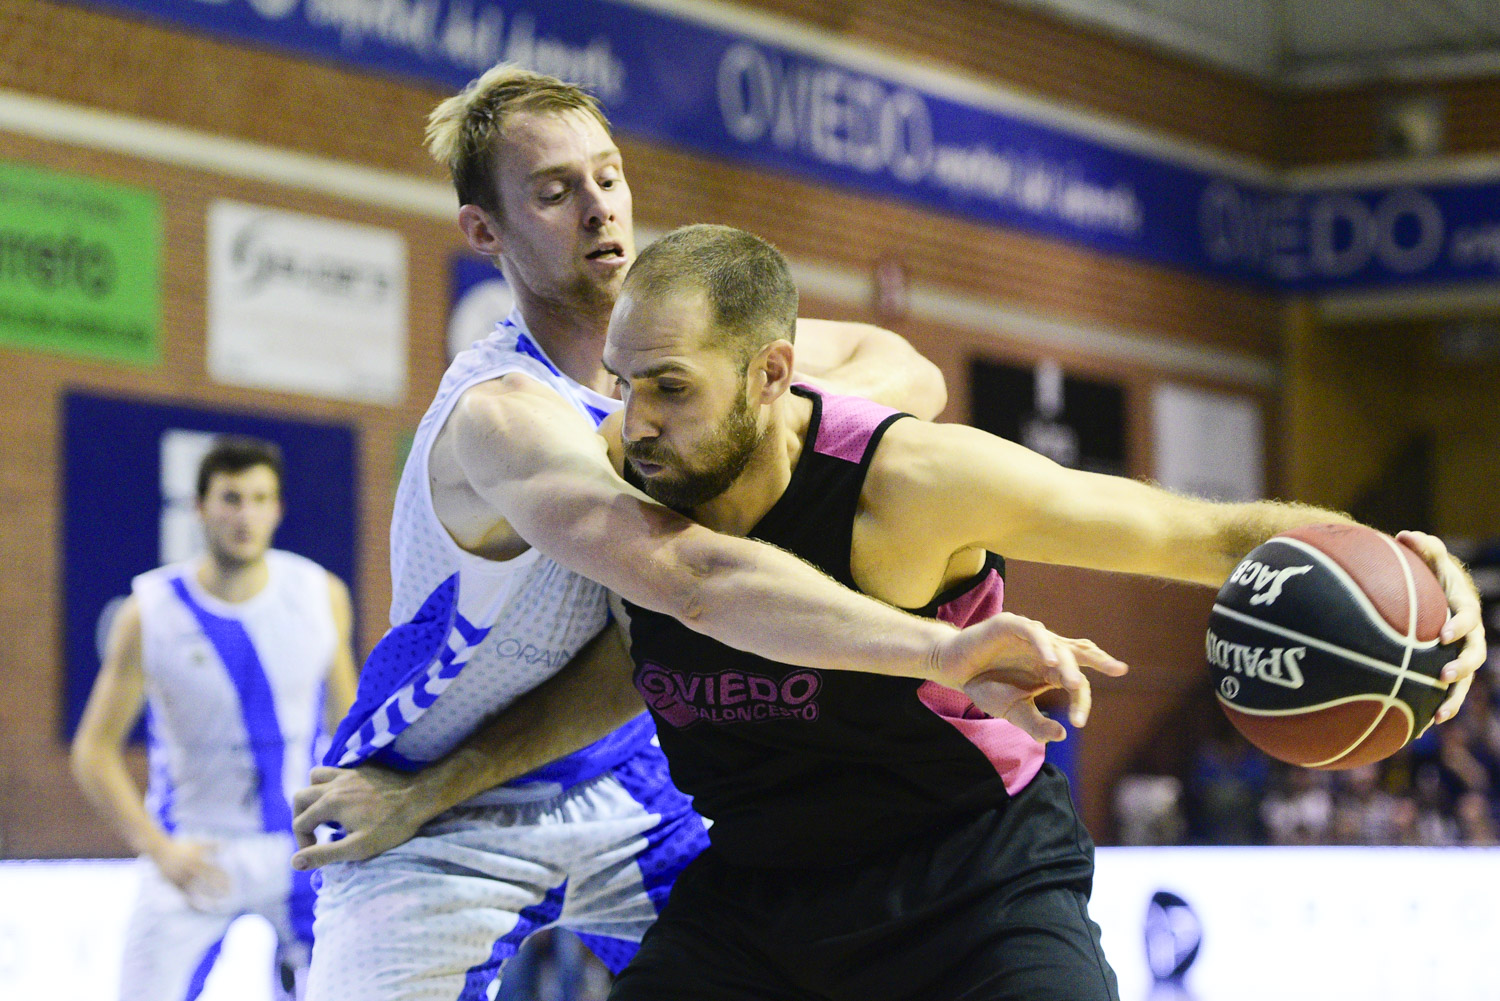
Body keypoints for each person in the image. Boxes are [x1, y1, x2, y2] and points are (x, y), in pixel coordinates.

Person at [295, 66, 1120, 1001]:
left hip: (621, 782)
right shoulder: (504, 414)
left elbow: (909, 370)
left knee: (797, 932)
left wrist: (743, 427)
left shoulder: (683, 374)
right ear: (485, 231)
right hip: (429, 801)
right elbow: (694, 579)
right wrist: (942, 648)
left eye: (608, 176)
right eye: (555, 192)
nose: (599, 209)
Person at [592, 223, 1488, 1001]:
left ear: (769, 376)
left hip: (973, 888)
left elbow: (1201, 535)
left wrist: (1409, 564)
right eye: (621, 384)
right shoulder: (612, 489)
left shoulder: (913, 486)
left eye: (671, 387)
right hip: (757, 897)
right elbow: (618, 672)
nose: (634, 422)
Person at [71, 436, 359, 1001]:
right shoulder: (150, 610)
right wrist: (157, 848)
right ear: (200, 507)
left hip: (298, 846)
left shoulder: (320, 594)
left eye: (259, 498)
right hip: (193, 849)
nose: (245, 515)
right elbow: (93, 751)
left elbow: (349, 729)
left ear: (277, 509)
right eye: (231, 498)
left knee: (358, 987)